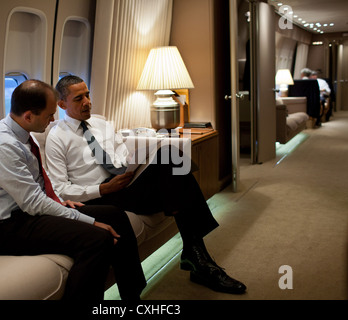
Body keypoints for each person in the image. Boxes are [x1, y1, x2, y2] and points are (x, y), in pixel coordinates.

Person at [45, 75, 247, 294]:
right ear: (62, 104)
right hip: (99, 195)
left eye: (87, 94)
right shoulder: (57, 137)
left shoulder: (101, 123)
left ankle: (195, 252)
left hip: (123, 183)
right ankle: (197, 257)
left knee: (170, 155)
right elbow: (60, 189)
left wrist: (134, 167)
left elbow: (121, 152)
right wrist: (103, 188)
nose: (87, 101)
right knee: (174, 174)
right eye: (78, 98)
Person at [0, 79, 146, 302]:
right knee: (97, 238)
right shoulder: (2, 146)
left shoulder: (20, 132)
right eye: (49, 115)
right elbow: (33, 203)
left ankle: (132, 296)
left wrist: (59, 202)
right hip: (10, 228)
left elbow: (37, 194)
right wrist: (88, 221)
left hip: (30, 215)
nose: (53, 120)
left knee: (115, 215)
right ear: (28, 116)